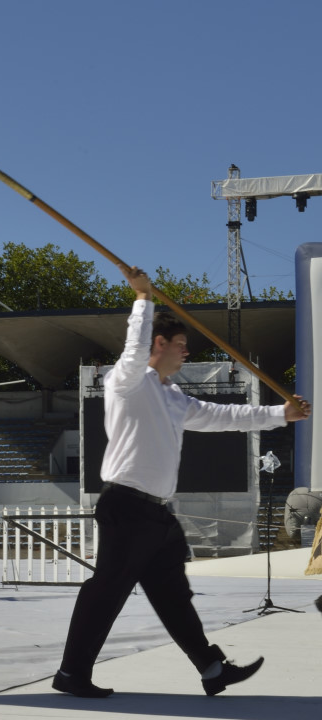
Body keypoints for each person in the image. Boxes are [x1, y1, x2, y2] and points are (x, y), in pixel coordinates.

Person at [53, 264, 313, 699]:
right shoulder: (126, 382)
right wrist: (142, 300)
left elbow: (222, 416)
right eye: (181, 345)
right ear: (159, 343)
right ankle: (71, 673)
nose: (186, 353)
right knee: (106, 591)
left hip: (156, 514)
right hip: (126, 507)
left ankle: (212, 669)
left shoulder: (173, 398)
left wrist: (278, 415)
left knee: (174, 594)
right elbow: (134, 350)